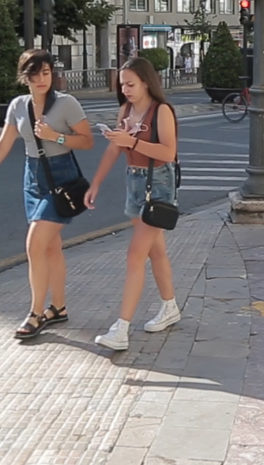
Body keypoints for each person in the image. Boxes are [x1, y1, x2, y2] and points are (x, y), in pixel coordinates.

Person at [0, 49, 94, 339]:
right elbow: (2, 145)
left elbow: (87, 141)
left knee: (35, 243)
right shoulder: (18, 106)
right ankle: (58, 307)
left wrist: (55, 136)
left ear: (52, 74)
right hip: (32, 178)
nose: (41, 79)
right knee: (50, 247)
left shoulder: (66, 104)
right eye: (34, 74)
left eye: (46, 73)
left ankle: (35, 313)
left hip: (61, 178)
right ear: (25, 77)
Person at [85, 56, 181, 351]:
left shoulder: (161, 110)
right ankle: (170, 307)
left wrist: (133, 143)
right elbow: (115, 149)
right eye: (122, 84)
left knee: (134, 255)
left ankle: (121, 327)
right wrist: (96, 183)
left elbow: (168, 152)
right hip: (135, 181)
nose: (125, 89)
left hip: (159, 183)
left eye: (130, 83)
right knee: (156, 251)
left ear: (146, 82)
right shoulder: (125, 110)